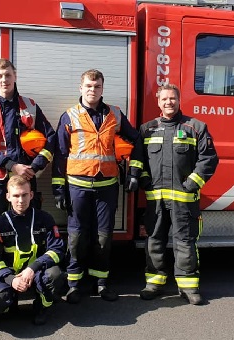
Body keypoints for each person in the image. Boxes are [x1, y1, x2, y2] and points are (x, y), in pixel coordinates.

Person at [52, 69, 142, 303]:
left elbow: (137, 140)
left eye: (97, 86)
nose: (93, 90)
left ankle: (101, 283)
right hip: (77, 186)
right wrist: (59, 188)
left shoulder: (115, 114)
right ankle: (74, 284)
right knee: (77, 237)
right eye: (89, 86)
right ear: (80, 88)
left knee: (103, 238)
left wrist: (134, 170)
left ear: (103, 88)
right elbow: (60, 154)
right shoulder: (69, 116)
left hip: (107, 186)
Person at [137, 84, 218, 305]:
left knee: (185, 242)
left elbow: (208, 159)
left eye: (172, 98)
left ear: (179, 100)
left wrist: (193, 182)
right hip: (156, 201)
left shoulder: (196, 127)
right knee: (154, 241)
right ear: (158, 102)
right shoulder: (147, 130)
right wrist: (143, 179)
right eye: (164, 99)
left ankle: (188, 286)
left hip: (184, 201)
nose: (168, 102)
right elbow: (138, 160)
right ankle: (154, 283)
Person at [0, 58, 56, 228]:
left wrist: (35, 166)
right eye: (0, 76)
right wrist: (11, 166)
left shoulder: (30, 105)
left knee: (27, 226)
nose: (4, 80)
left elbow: (52, 138)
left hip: (26, 177)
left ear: (15, 76)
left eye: (8, 75)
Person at [0, 175, 65, 325]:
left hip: (36, 273)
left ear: (31, 195)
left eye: (24, 195)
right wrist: (11, 280)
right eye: (16, 196)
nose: (21, 200)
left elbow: (57, 250)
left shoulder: (44, 218)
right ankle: (11, 300)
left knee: (55, 275)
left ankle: (42, 306)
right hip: (10, 275)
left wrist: (33, 268)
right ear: (8, 197)